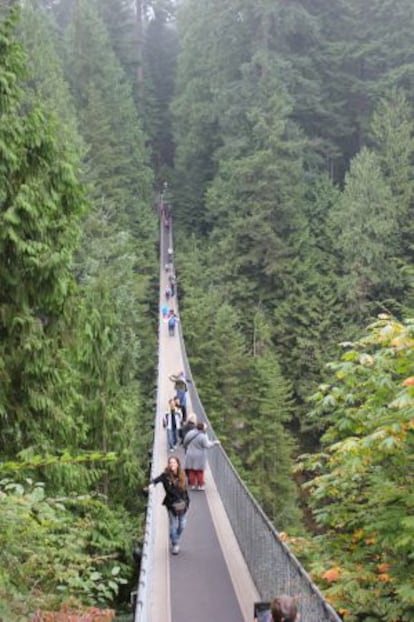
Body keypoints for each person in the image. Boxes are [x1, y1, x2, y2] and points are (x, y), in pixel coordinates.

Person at [146, 456, 189, 555]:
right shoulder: (165, 476)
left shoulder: (182, 475)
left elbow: (185, 491)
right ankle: (175, 544)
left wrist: (187, 503)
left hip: (183, 504)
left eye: (174, 463)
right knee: (174, 524)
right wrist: (152, 485)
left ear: (177, 464)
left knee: (182, 525)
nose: (172, 464)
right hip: (171, 504)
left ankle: (174, 536)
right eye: (170, 463)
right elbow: (156, 480)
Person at [183, 422, 220, 490]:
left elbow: (185, 441)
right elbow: (207, 445)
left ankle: (192, 485)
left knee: (191, 470)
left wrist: (186, 448)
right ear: (203, 428)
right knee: (199, 471)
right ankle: (200, 485)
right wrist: (214, 443)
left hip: (190, 453)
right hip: (199, 456)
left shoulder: (190, 433)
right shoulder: (203, 436)